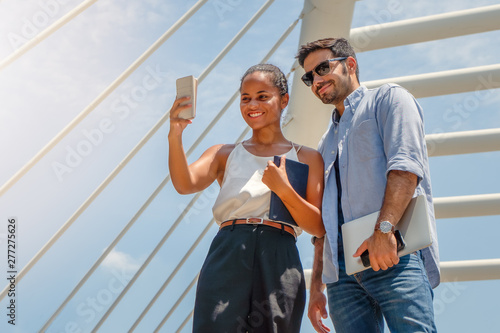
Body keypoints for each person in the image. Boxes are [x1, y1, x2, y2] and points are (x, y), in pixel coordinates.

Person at [296, 37, 440, 332]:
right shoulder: (324, 145)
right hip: (343, 278)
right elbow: (323, 224)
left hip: (393, 255)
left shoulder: (389, 100)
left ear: (350, 64)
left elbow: (405, 169)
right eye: (309, 76)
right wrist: (317, 286)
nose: (317, 80)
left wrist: (384, 232)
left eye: (323, 68)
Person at [168, 63, 325, 333]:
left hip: (280, 252)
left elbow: (317, 226)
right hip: (229, 250)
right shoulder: (223, 153)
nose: (253, 104)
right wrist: (175, 133)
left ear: (284, 99)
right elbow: (184, 184)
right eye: (245, 98)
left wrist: (284, 189)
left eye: (263, 96)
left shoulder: (307, 157)